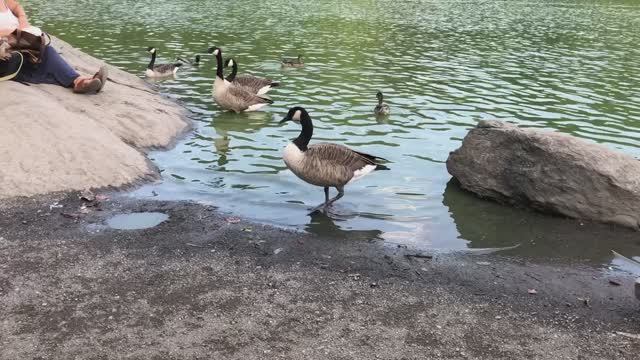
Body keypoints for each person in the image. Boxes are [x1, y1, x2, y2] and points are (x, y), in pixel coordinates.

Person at [0, 0, 106, 93]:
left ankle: (78, 81)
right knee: (26, 60)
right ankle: (79, 82)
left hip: (16, 43)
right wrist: (14, 33)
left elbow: (16, 6)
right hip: (5, 51)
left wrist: (23, 20)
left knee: (45, 52)